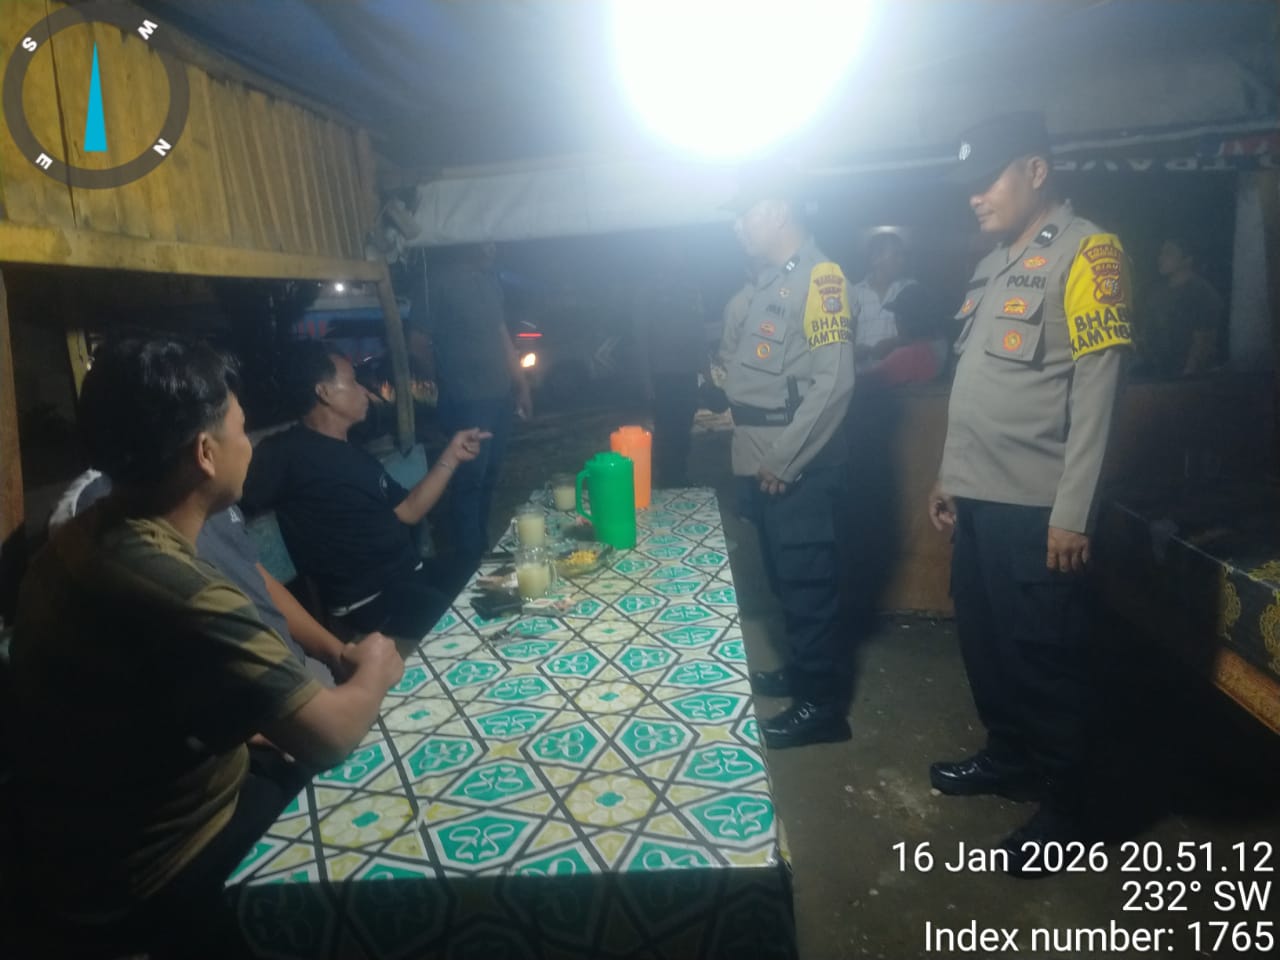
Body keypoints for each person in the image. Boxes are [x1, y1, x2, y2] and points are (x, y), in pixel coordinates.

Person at [5, 338, 405, 956]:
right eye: (241, 429)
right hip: (154, 870)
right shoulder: (177, 588)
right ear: (205, 453)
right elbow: (331, 736)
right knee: (384, 822)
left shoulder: (82, 539)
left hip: (76, 849)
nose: (250, 444)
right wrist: (373, 664)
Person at [927, 112, 1133, 874]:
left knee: (1046, 659)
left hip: (1037, 507)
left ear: (1036, 171)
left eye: (988, 179)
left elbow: (1099, 392)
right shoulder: (994, 264)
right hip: (979, 498)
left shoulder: (1089, 252)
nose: (974, 196)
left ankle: (1071, 810)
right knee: (987, 646)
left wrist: (1073, 512)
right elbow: (977, 383)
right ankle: (1009, 756)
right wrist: (949, 475)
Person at [724, 169, 858, 749]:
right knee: (785, 582)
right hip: (761, 458)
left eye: (745, 213)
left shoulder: (821, 279)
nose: (737, 226)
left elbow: (834, 384)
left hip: (796, 464)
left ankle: (824, 708)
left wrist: (784, 460)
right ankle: (805, 673)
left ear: (777, 210)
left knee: (808, 585)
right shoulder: (766, 283)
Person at [241, 341, 489, 639]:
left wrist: (452, 454)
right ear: (324, 392)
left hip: (411, 574)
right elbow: (233, 499)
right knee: (465, 623)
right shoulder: (286, 453)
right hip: (370, 601)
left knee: (487, 578)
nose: (364, 391)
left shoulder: (353, 451)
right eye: (352, 382)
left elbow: (409, 510)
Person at [50, 468, 344, 686]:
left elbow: (258, 579)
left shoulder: (211, 480)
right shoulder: (94, 503)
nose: (247, 445)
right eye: (238, 427)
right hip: (238, 709)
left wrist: (336, 652)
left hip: (293, 672)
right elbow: (128, 650)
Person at [422, 243, 532, 571]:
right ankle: (468, 558)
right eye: (485, 242)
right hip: (466, 399)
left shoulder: (490, 281)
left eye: (493, 242)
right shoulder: (436, 282)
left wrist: (521, 384)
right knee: (470, 478)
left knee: (490, 476)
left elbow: (502, 336)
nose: (492, 248)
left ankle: (481, 547)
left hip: (499, 397)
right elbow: (418, 341)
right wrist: (440, 383)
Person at [631, 240, 707, 487]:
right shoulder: (648, 291)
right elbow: (641, 337)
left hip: (687, 373)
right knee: (665, 430)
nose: (676, 259)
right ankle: (666, 478)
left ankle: (680, 475)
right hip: (662, 374)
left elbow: (699, 333)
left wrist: (707, 373)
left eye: (679, 254)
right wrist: (646, 380)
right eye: (670, 254)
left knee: (684, 428)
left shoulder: (691, 289)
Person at [1142, 236, 1225, 377]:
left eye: (1169, 253)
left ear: (1187, 259)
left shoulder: (1202, 293)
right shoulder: (1156, 293)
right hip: (1158, 374)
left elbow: (1204, 342)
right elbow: (1147, 335)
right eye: (1161, 253)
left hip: (1190, 379)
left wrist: (1187, 377)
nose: (1161, 258)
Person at [850, 231, 920, 369]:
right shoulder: (854, 292)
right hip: (862, 374)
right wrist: (854, 351)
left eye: (903, 255)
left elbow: (920, 336)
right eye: (896, 254)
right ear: (875, 259)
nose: (902, 260)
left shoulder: (911, 289)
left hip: (900, 374)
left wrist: (893, 344)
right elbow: (847, 336)